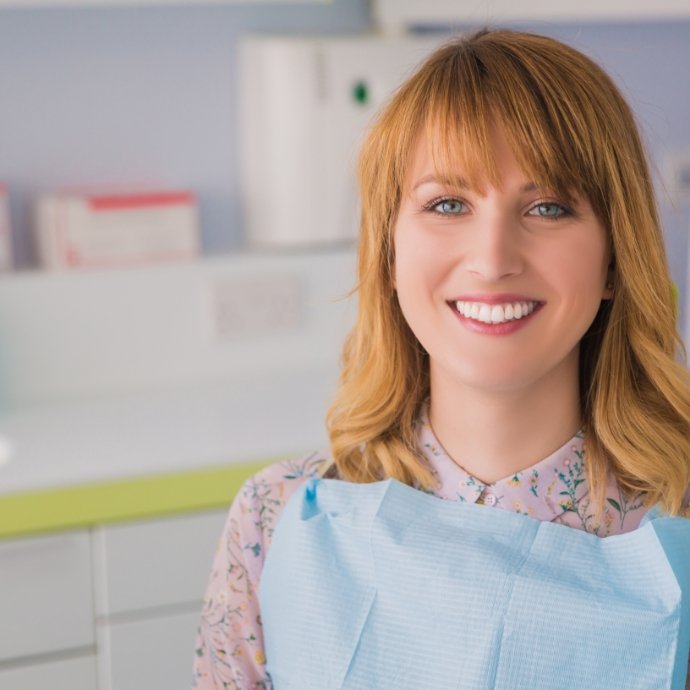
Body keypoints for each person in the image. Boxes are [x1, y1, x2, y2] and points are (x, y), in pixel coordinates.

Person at [192, 28, 690, 690]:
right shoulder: (276, 518)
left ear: (613, 260)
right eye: (448, 203)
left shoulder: (674, 526)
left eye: (548, 206)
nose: (492, 258)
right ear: (390, 256)